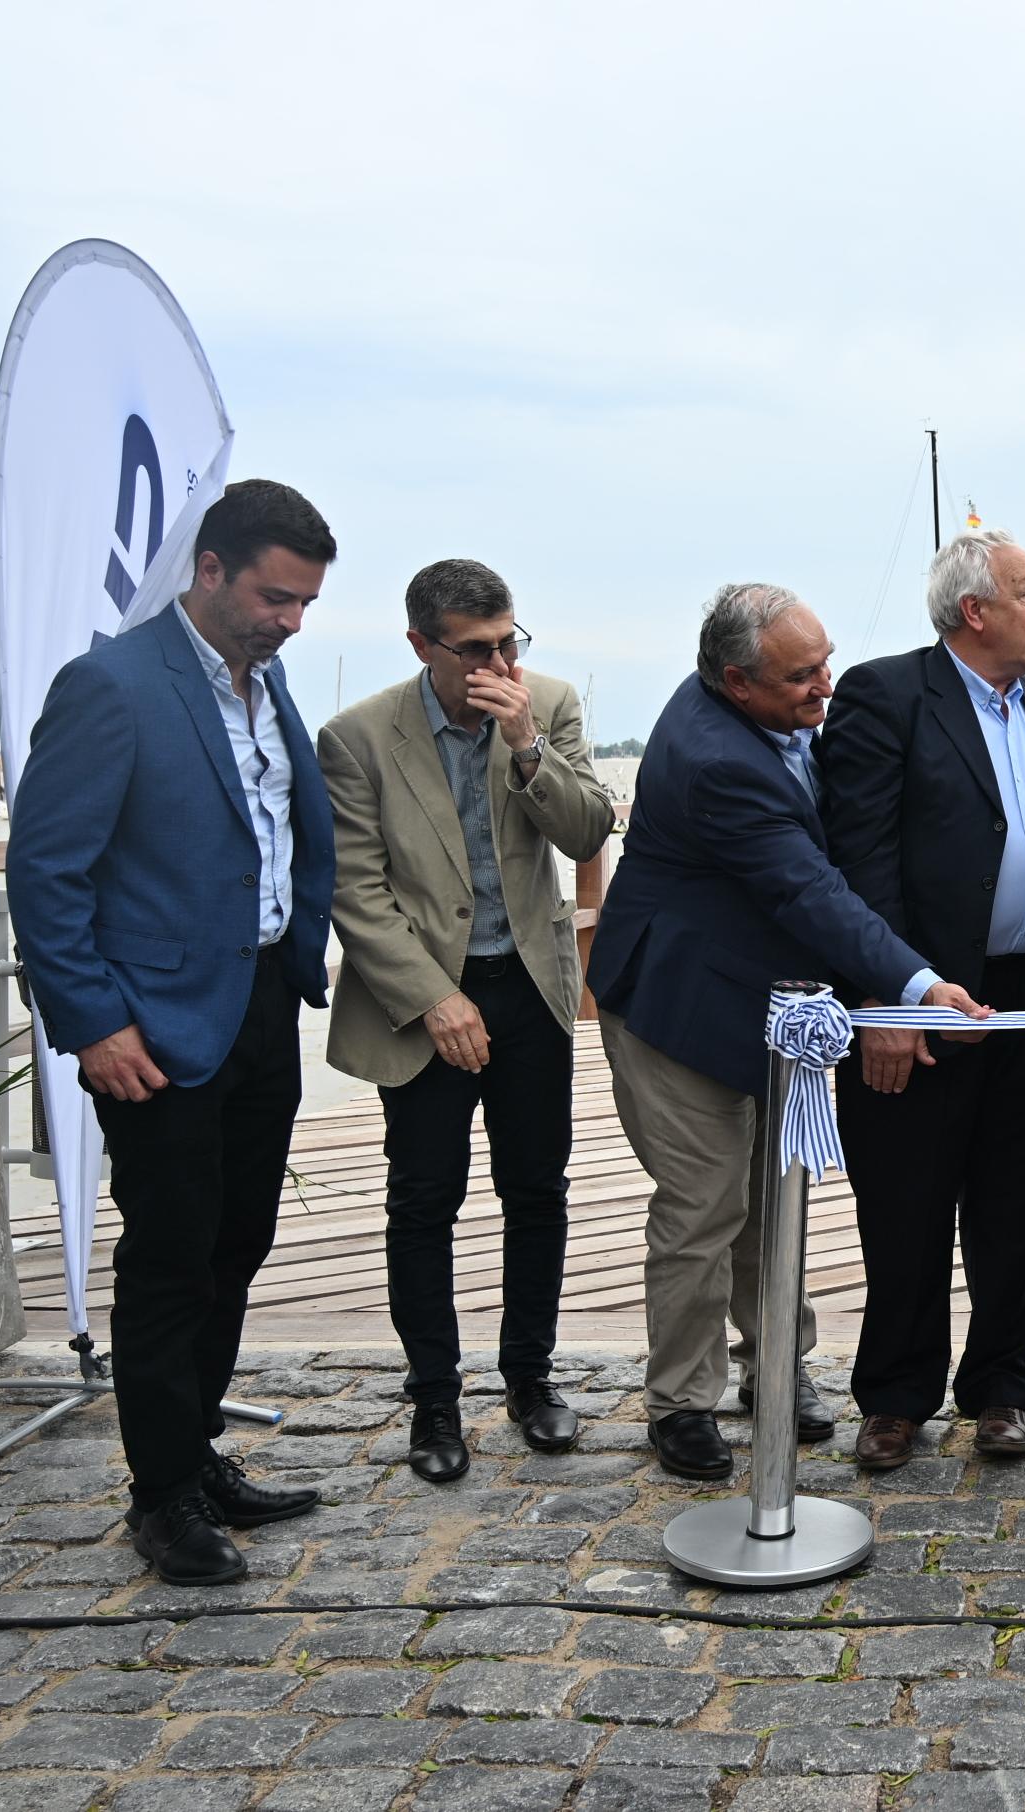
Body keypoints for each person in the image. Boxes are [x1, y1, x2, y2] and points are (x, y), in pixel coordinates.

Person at [6, 478, 340, 1585]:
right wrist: (94, 1023)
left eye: (304, 603)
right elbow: (47, 877)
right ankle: (160, 1498)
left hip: (258, 1006)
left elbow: (283, 830)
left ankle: (194, 1456)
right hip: (152, 1027)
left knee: (236, 1244)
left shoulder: (269, 681)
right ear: (209, 569)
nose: (291, 621)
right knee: (168, 1259)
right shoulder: (111, 686)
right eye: (274, 597)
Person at [587, 584, 990, 1482]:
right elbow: (808, 890)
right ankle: (681, 1403)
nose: (825, 687)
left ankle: (775, 1367)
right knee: (703, 1206)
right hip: (678, 1007)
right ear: (736, 680)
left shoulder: (762, 712)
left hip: (770, 1010)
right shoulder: (714, 760)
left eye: (824, 660)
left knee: (773, 1199)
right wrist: (916, 985)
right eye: (801, 677)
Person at [320, 558, 616, 1483]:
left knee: (538, 1189)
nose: (499, 661)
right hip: (421, 997)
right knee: (423, 1199)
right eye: (477, 648)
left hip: (529, 984)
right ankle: (434, 1398)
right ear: (423, 645)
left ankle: (529, 1376)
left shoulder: (546, 705)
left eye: (509, 643)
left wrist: (527, 742)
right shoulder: (358, 737)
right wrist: (432, 999)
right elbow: (356, 890)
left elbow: (586, 832)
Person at [819, 529, 1025, 1470]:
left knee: (1015, 1206)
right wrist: (888, 1002)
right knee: (907, 1205)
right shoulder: (886, 697)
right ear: (976, 611)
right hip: (920, 997)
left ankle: (1002, 1390)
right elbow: (857, 863)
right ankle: (894, 1395)